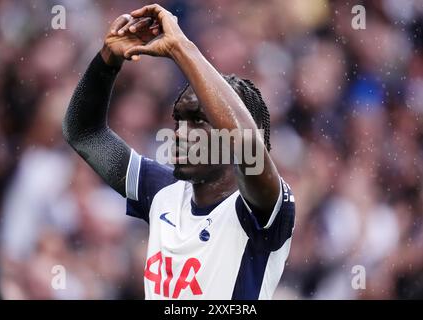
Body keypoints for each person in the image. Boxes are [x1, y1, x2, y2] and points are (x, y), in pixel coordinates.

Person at [63, 4, 295, 300]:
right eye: (179, 121)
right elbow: (84, 133)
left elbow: (247, 145)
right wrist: (107, 60)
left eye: (198, 121)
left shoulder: (262, 209)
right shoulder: (163, 192)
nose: (180, 134)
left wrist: (182, 48)